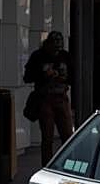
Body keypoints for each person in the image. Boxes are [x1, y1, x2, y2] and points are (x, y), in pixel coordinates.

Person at [23, 31, 74, 164]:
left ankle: (65, 164)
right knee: (47, 136)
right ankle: (48, 166)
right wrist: (44, 74)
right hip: (46, 98)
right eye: (54, 45)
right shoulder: (39, 56)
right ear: (48, 44)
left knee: (67, 135)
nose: (57, 48)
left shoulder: (64, 56)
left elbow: (73, 75)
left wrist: (61, 77)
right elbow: (27, 77)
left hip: (61, 96)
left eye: (59, 45)